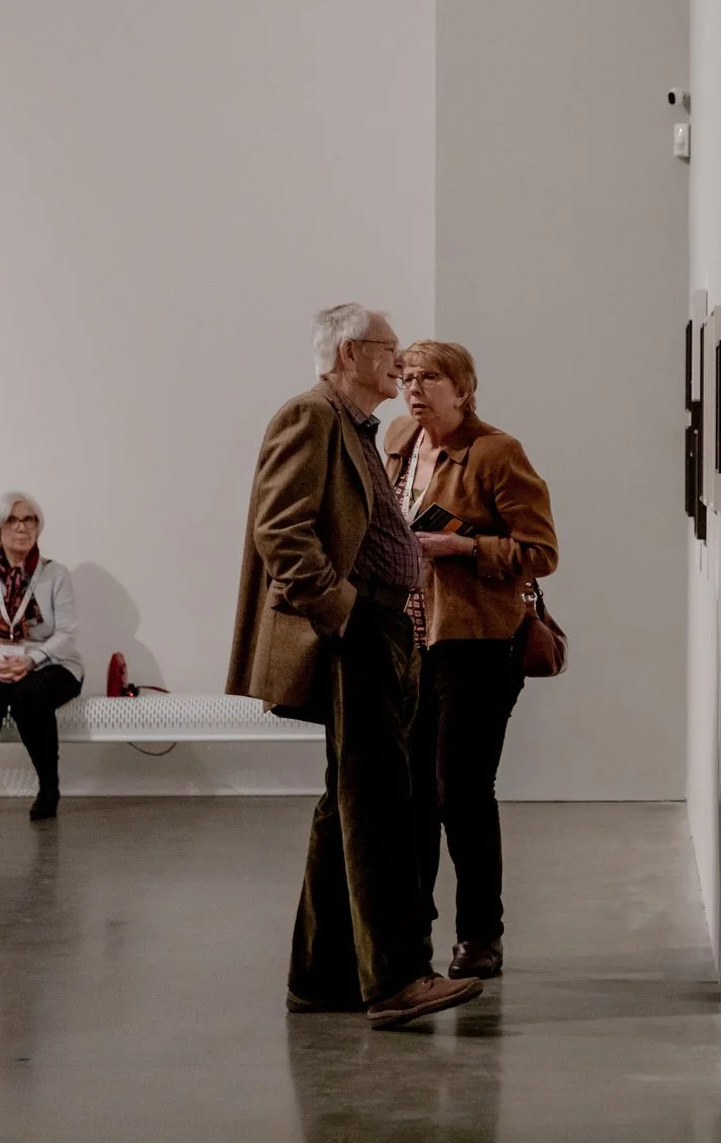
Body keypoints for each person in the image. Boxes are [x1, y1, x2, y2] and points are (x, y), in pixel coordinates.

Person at [226, 303, 483, 1030]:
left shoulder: (356, 424)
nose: (399, 363)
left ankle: (322, 976)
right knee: (379, 806)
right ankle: (397, 979)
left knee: (349, 801)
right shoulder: (309, 416)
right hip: (356, 629)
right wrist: (344, 611)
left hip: (378, 627)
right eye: (388, 348)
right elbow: (280, 529)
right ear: (348, 352)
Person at [385, 341, 559, 981]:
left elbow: (541, 552)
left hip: (480, 643)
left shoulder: (496, 453)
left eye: (429, 377)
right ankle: (411, 932)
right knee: (412, 795)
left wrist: (462, 547)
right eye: (406, 377)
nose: (414, 388)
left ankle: (481, 934)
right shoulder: (399, 440)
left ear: (463, 389)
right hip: (410, 640)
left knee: (461, 792)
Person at [0, 493, 84, 822]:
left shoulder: (56, 575)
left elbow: (67, 633)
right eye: (12, 520)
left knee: (30, 696)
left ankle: (49, 787)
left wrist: (32, 660)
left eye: (29, 520)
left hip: (50, 663)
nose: (22, 527)